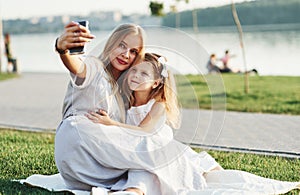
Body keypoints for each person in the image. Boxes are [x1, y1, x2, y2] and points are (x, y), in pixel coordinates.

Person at [85, 53, 300, 194]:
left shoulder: (158, 103)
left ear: (156, 82)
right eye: (134, 70)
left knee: (214, 179)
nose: (136, 76)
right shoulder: (126, 101)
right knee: (150, 175)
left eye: (144, 73)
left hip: (166, 152)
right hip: (145, 154)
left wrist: (111, 124)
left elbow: (145, 130)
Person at [54, 21, 157, 195]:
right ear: (111, 44)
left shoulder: (123, 88)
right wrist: (62, 49)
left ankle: (132, 191)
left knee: (152, 156)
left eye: (133, 52)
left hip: (96, 161)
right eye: (121, 46)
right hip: (78, 145)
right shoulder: (94, 66)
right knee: (152, 151)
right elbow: (78, 66)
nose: (125, 54)